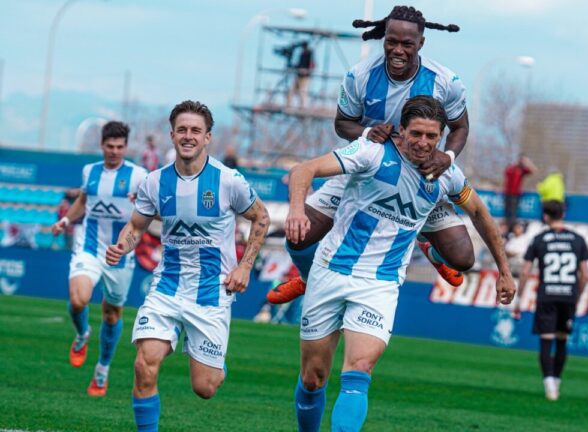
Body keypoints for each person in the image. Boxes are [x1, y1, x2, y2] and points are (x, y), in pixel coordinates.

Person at [286, 96, 515, 432]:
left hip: (379, 284)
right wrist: (295, 210)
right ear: (401, 131)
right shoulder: (371, 153)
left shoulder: (446, 174)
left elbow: (479, 213)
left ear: (440, 138)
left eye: (432, 136)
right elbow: (304, 170)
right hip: (331, 270)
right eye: (417, 134)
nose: (423, 143)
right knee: (313, 378)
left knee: (360, 369)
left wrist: (505, 272)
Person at [268, 5, 472, 305]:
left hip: (419, 179)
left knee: (463, 258)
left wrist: (449, 157)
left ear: (421, 44)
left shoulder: (446, 81)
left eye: (407, 44)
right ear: (384, 38)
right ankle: (310, 279)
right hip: (364, 172)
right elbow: (342, 123)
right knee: (298, 237)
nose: (397, 50)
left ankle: (428, 245)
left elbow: (460, 127)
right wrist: (366, 132)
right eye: (391, 41)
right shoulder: (360, 76)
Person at [105, 100, 270, 431]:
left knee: (204, 388)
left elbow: (261, 217)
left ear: (208, 137)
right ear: (172, 135)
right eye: (182, 130)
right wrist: (123, 246)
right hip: (167, 287)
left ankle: (211, 358)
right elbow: (136, 226)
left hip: (212, 292)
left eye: (196, 130)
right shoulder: (155, 182)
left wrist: (245, 266)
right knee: (143, 365)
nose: (188, 136)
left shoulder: (228, 181)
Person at [51, 121, 148, 397]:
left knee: (111, 313)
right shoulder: (90, 171)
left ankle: (102, 368)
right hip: (90, 246)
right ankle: (82, 334)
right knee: (78, 299)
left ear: (126, 147)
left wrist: (141, 201)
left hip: (120, 253)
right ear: (102, 145)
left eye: (120, 147)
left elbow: (154, 209)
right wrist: (67, 219)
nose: (115, 151)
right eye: (110, 146)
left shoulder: (139, 176)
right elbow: (84, 200)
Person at [515, 200, 588, 401]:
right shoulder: (578, 239)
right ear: (562, 215)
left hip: (547, 294)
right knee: (562, 340)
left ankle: (549, 385)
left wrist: (519, 298)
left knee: (546, 339)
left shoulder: (539, 239)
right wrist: (578, 296)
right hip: (568, 295)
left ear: (546, 216)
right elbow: (584, 275)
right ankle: (556, 381)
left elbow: (525, 271)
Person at [503, 154, 537, 230]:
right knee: (507, 213)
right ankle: (508, 228)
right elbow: (506, 175)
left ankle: (511, 228)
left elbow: (533, 170)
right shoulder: (512, 168)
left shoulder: (522, 170)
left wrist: (527, 162)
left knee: (513, 213)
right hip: (508, 194)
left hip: (516, 195)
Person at [286, 41, 314, 108]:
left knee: (303, 92)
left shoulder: (309, 54)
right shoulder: (302, 55)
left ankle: (303, 107)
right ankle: (289, 105)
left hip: (305, 77)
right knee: (291, 90)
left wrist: (306, 71)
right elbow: (299, 65)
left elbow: (311, 65)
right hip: (298, 75)